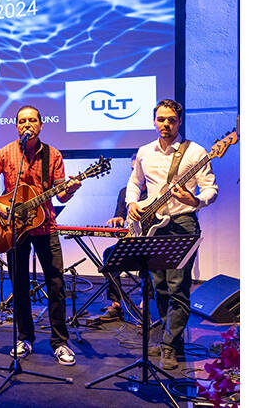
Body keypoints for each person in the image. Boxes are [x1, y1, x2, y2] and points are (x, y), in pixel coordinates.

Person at [0, 105, 81, 366]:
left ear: (41, 124)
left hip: (46, 226)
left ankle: (60, 342)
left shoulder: (53, 155)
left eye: (32, 120)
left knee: (56, 284)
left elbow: (60, 195)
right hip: (14, 229)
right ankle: (24, 338)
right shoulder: (5, 152)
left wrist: (71, 189)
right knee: (19, 285)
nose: (27, 125)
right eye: (22, 121)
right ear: (16, 126)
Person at [126, 99, 218, 370]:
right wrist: (132, 203)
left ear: (179, 121)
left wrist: (195, 200)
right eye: (161, 119)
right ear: (154, 121)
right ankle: (172, 341)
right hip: (152, 226)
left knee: (178, 287)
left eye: (171, 120)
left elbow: (211, 189)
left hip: (182, 224)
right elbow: (135, 182)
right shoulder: (144, 151)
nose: (166, 124)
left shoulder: (196, 152)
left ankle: (168, 345)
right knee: (160, 287)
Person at [100, 153, 140, 322]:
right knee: (109, 254)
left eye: (137, 169)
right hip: (130, 243)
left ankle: (144, 306)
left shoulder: (155, 192)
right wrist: (117, 220)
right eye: (132, 169)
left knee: (150, 263)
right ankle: (116, 304)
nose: (134, 173)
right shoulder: (125, 192)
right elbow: (120, 217)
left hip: (148, 242)